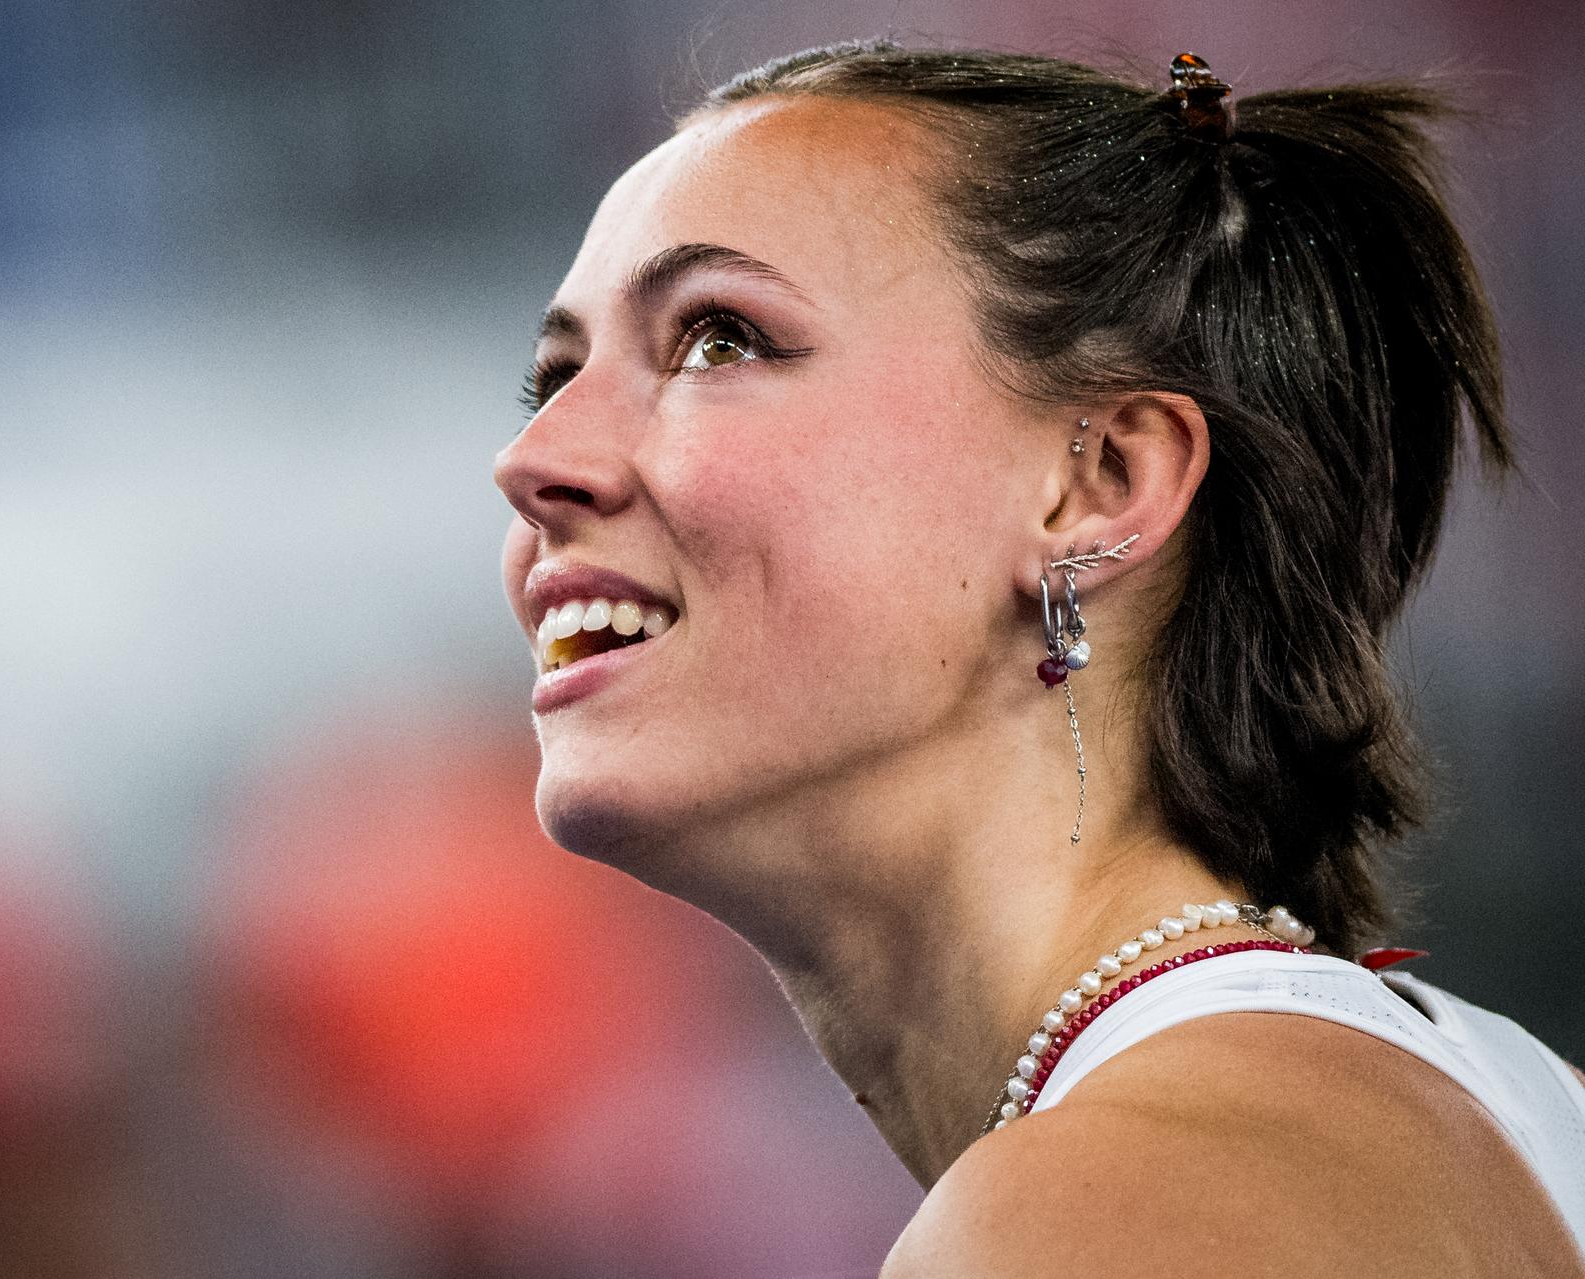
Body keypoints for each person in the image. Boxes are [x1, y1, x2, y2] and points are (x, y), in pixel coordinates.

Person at [491, 39, 1585, 1275]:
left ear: (1096, 483)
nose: (533, 461)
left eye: (719, 338)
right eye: (552, 376)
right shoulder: (1485, 1099)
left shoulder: (1111, 1210)